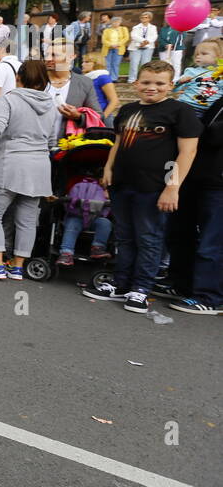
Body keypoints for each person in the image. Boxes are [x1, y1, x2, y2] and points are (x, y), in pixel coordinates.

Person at [83, 60, 200, 313]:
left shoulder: (180, 112)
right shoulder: (127, 111)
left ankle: (141, 289)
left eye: (159, 83)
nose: (152, 88)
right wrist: (108, 169)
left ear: (170, 85)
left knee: (149, 238)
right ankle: (121, 283)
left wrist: (173, 187)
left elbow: (187, 152)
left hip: (155, 188)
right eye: (146, 82)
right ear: (136, 84)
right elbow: (117, 143)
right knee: (125, 237)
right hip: (123, 184)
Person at [0, 60, 56, 280]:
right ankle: (17, 266)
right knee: (26, 219)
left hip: (12, 162)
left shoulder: (11, 98)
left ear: (19, 78)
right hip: (40, 165)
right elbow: (52, 138)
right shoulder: (50, 103)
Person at [164, 39, 223, 314]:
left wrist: (192, 126)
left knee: (211, 241)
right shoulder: (200, 85)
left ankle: (210, 296)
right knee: (181, 232)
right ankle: (181, 282)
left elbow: (212, 134)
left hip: (216, 179)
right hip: (194, 173)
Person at [44, 39, 102, 142]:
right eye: (46, 54)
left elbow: (98, 116)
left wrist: (78, 116)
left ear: (71, 57)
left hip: (68, 147)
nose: (48, 58)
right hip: (36, 146)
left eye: (54, 55)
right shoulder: (37, 80)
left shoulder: (84, 83)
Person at [80, 53, 120, 121]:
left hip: (101, 116)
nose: (82, 64)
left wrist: (102, 117)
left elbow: (114, 100)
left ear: (96, 63)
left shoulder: (102, 77)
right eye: (83, 62)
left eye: (87, 62)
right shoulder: (85, 78)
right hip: (87, 115)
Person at [127, 12, 157, 82]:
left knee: (145, 64)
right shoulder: (136, 27)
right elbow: (134, 36)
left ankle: (143, 79)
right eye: (142, 17)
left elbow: (154, 36)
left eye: (146, 17)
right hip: (136, 47)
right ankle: (132, 79)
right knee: (134, 64)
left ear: (149, 19)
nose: (144, 19)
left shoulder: (153, 27)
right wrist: (143, 41)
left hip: (148, 47)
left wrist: (146, 42)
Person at [102, 15, 129, 79]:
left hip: (118, 48)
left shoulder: (123, 29)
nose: (116, 23)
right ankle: (107, 78)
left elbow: (126, 38)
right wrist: (111, 45)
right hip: (108, 49)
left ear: (120, 22)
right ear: (111, 22)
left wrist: (118, 44)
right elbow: (104, 40)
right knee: (107, 64)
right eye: (114, 22)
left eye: (118, 22)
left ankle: (114, 78)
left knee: (115, 64)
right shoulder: (106, 30)